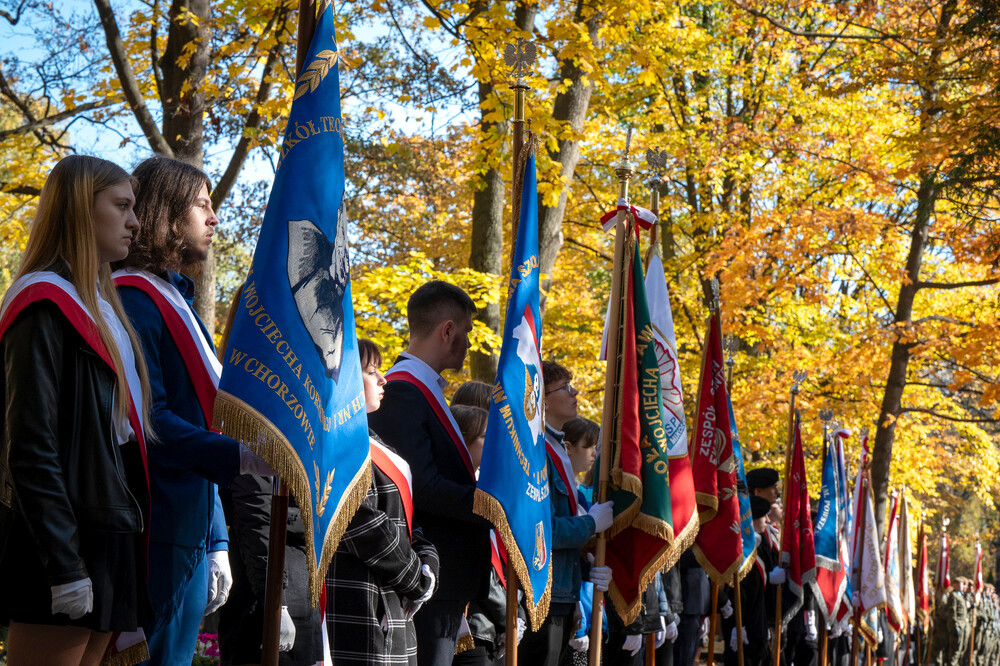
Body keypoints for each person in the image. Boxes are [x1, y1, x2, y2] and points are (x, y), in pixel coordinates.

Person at [113, 155, 272, 664]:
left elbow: (201, 415)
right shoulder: (133, 300)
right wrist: (245, 456)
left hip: (193, 530)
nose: (214, 216)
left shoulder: (176, 298)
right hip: (153, 527)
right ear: (165, 211)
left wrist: (218, 538)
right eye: (202, 204)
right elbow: (149, 419)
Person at [0, 155, 152, 665]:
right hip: (61, 537)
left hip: (105, 531)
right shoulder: (43, 301)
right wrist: (63, 562)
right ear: (80, 210)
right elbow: (31, 442)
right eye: (122, 206)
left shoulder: (101, 306)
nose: (135, 221)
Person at [367, 280, 492, 665]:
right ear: (447, 330)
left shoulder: (427, 390)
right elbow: (420, 486)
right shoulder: (404, 391)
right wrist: (491, 504)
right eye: (467, 332)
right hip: (428, 571)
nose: (469, 344)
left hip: (447, 577)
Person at [327, 338, 439, 665]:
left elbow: (407, 520)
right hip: (361, 605)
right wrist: (417, 580)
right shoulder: (335, 442)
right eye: (371, 371)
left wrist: (429, 564)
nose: (383, 379)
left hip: (392, 603)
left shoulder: (373, 440)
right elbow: (363, 524)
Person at [519, 360, 613, 665]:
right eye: (564, 387)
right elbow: (540, 531)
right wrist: (589, 524)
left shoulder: (556, 450)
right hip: (541, 596)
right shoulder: (535, 452)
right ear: (542, 399)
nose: (575, 392)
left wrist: (587, 569)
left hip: (563, 592)